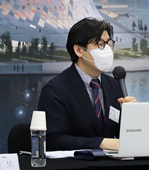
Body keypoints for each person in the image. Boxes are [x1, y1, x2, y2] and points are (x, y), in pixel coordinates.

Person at [38, 18, 136, 151]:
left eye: (108, 44)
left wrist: (133, 117)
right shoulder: (55, 90)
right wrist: (101, 143)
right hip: (75, 162)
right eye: (100, 44)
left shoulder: (113, 84)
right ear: (79, 50)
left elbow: (123, 135)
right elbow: (54, 140)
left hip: (111, 162)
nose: (107, 49)